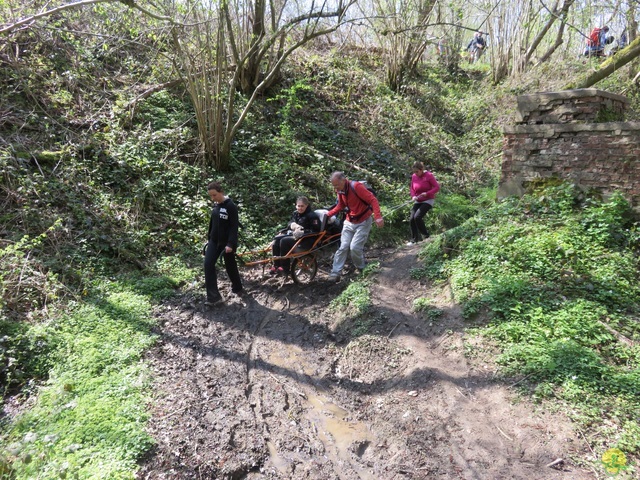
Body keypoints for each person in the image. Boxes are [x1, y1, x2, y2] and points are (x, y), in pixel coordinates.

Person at [325, 172, 383, 282]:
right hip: (349, 221)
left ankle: (362, 268)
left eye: (336, 185)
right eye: (334, 185)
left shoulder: (356, 186)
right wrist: (329, 214)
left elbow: (373, 200)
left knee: (355, 247)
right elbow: (341, 205)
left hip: (363, 220)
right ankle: (335, 272)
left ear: (343, 180)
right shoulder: (340, 190)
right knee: (343, 247)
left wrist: (378, 217)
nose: (335, 188)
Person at [204, 181, 243, 306]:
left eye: (214, 195)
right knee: (208, 264)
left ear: (221, 192)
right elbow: (213, 224)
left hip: (226, 243)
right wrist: (209, 238)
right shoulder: (216, 206)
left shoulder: (230, 206)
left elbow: (233, 227)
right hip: (214, 242)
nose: (212, 198)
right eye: (211, 196)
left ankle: (237, 287)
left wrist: (231, 244)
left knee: (230, 265)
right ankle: (214, 298)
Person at [271, 196, 321, 275]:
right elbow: (290, 222)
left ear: (306, 206)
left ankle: (285, 268)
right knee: (277, 239)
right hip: (295, 237)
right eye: (298, 206)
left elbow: (316, 231)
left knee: (284, 241)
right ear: (296, 205)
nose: (300, 208)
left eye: (302, 206)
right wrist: (293, 225)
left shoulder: (312, 216)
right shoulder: (295, 213)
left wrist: (303, 232)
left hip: (306, 241)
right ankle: (277, 265)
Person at [407, 161, 440, 246]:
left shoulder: (429, 175)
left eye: (417, 171)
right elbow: (412, 189)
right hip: (418, 200)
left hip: (428, 200)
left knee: (417, 217)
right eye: (414, 172)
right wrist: (413, 196)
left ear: (421, 170)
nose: (416, 173)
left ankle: (426, 236)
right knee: (411, 218)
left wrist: (427, 193)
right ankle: (413, 240)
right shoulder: (414, 176)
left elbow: (437, 187)